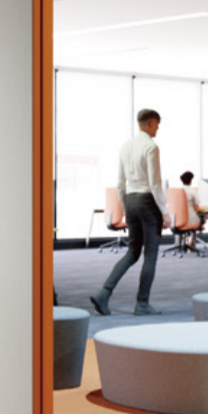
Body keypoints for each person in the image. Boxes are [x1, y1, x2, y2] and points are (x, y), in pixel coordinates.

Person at [92, 109, 167, 316]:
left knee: (132, 252)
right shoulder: (151, 147)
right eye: (158, 124)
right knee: (150, 254)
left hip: (131, 201)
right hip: (148, 202)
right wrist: (166, 212)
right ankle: (142, 303)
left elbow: (119, 183)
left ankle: (104, 293)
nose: (158, 128)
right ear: (150, 123)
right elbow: (155, 184)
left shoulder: (125, 147)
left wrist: (126, 209)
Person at [176, 170, 208, 252]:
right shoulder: (192, 191)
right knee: (200, 217)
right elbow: (197, 208)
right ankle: (191, 245)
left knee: (189, 219)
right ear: (191, 181)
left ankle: (180, 244)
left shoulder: (176, 192)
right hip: (189, 221)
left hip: (176, 221)